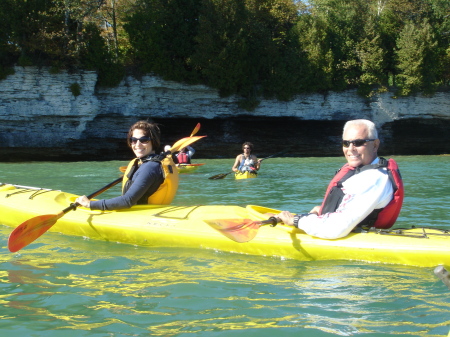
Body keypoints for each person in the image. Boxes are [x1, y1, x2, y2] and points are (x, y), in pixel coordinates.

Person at [277, 119, 403, 239]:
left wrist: (296, 220)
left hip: (349, 236)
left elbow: (335, 228)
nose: (351, 149)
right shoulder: (363, 171)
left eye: (358, 143)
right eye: (346, 143)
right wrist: (323, 210)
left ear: (375, 145)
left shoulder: (373, 179)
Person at [75, 121, 179, 210]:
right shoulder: (144, 163)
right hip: (153, 212)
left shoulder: (149, 167)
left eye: (144, 140)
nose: (137, 144)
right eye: (134, 140)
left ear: (153, 142)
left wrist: (90, 204)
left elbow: (127, 201)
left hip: (142, 216)